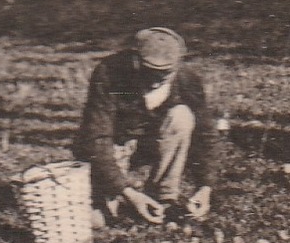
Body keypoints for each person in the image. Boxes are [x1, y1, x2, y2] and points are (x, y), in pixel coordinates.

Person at [74, 27, 217, 226]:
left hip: (151, 145)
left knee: (182, 117)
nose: (156, 81)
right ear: (135, 61)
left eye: (164, 74)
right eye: (150, 72)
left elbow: (205, 135)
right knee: (97, 220)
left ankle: (164, 197)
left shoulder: (187, 81)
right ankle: (118, 198)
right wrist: (127, 192)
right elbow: (97, 138)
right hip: (115, 146)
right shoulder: (110, 74)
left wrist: (205, 187)